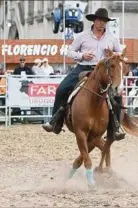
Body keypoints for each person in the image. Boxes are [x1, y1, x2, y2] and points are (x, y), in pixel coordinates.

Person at [42, 8, 126, 141]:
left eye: (104, 21)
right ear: (94, 20)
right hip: (83, 68)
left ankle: (115, 127)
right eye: (99, 20)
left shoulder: (112, 38)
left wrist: (113, 55)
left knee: (117, 95)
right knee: (62, 88)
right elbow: (69, 51)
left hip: (103, 71)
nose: (102, 23)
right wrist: (82, 55)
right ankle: (55, 121)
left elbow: (119, 55)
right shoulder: (82, 36)